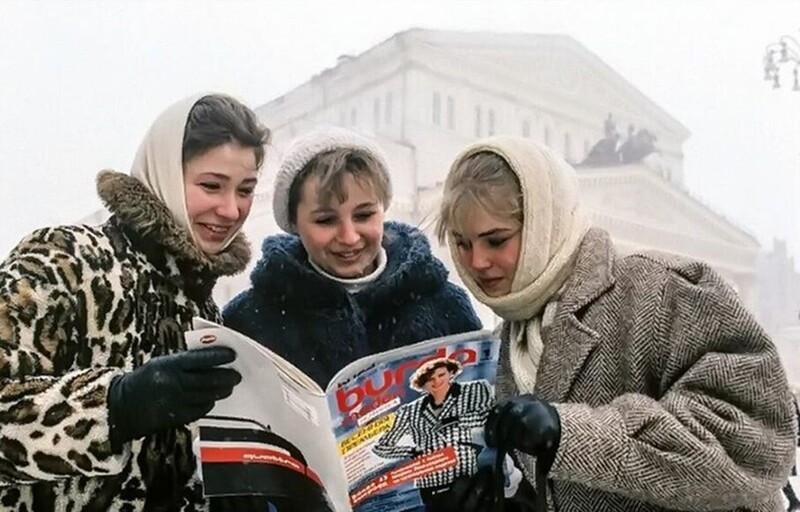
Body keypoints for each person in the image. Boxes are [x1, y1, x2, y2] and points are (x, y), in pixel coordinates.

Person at [433, 136, 798, 512]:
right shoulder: (513, 338)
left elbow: (755, 446)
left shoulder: (660, 289)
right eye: (462, 243)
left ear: (545, 222)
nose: (477, 262)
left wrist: (567, 435)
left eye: (496, 240)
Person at [0, 93, 270, 511]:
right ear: (163, 172)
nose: (231, 209)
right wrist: (117, 405)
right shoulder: (64, 257)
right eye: (211, 185)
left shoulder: (207, 313)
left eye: (246, 190)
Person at [223, 126, 481, 388]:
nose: (349, 237)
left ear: (383, 209)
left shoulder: (445, 305)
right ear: (294, 222)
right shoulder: (250, 321)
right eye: (325, 220)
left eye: (364, 215)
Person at [372, 357, 493, 510]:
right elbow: (380, 447)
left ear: (451, 373)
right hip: (432, 486)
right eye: (430, 379)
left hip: (468, 478)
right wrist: (410, 451)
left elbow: (489, 415)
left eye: (441, 375)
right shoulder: (410, 411)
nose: (436, 381)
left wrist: (456, 420)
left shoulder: (473, 390)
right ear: (423, 385)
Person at [784, 393, 800, 511]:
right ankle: (793, 500)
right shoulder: (790, 395)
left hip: (784, 438)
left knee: (778, 472)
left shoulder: (786, 396)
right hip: (788, 437)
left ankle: (793, 500)